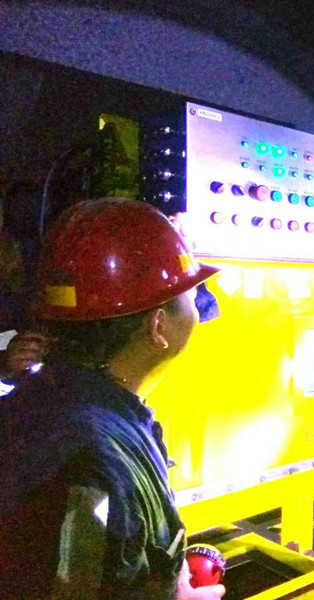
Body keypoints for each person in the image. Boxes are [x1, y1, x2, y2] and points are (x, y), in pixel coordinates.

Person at [0, 198, 225, 599]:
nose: (198, 307)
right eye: (192, 296)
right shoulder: (96, 465)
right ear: (157, 327)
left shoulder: (49, 400)